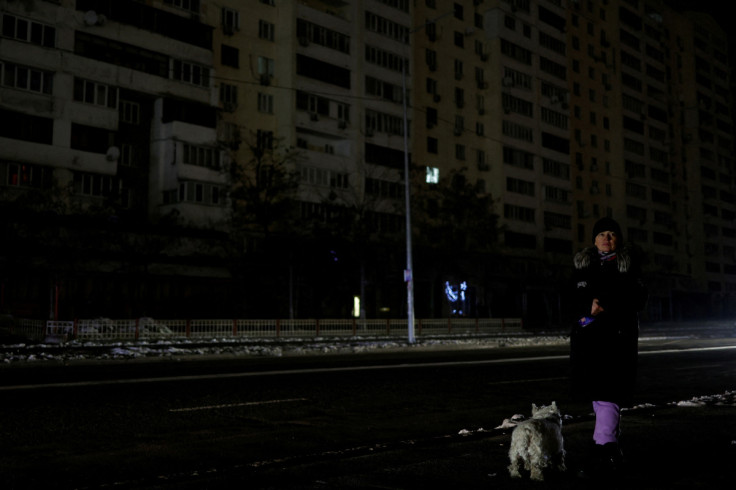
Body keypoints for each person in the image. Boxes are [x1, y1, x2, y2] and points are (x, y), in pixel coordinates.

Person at [570, 217, 647, 478]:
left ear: (619, 239)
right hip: (589, 341)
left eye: (612, 234)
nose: (606, 238)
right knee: (600, 396)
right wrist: (586, 310)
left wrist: (606, 305)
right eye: (601, 234)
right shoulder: (583, 266)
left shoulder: (628, 267)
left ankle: (604, 448)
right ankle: (610, 448)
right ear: (593, 240)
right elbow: (569, 297)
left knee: (608, 395)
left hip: (616, 340)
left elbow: (637, 298)